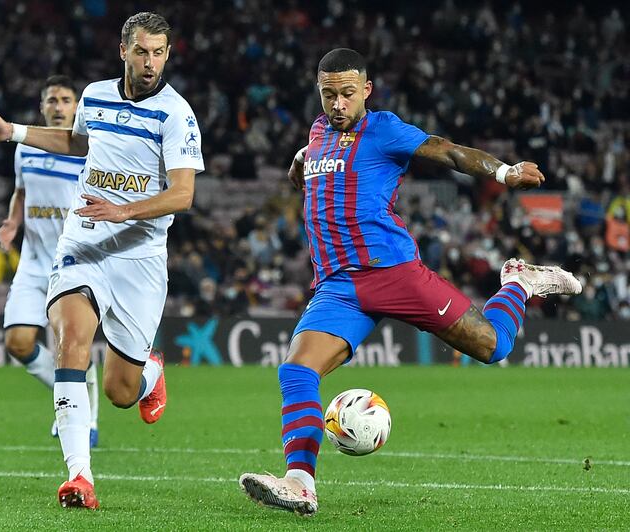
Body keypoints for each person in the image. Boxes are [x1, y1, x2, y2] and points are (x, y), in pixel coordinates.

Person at [238, 48, 582, 516]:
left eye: (346, 94)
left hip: (393, 272)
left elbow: (447, 150)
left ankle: (519, 282)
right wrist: (300, 163)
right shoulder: (318, 132)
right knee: (296, 371)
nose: (337, 104)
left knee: (493, 347)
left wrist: (503, 171)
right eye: (328, 94)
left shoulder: (383, 130)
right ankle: (300, 484)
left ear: (366, 91)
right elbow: (307, 160)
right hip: (338, 286)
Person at [0, 12, 203, 510]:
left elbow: (182, 194)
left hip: (139, 256)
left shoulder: (176, 114)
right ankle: (80, 477)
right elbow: (77, 142)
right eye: (142, 51)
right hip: (85, 239)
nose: (150, 62)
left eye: (159, 53)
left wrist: (125, 210)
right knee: (70, 340)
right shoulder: (94, 94)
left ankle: (151, 375)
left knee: (120, 391)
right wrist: (12, 132)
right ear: (123, 50)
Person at [0, 76, 98, 447]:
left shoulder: (90, 152)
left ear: (77, 108)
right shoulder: (24, 147)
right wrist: (12, 221)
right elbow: (21, 192)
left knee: (68, 348)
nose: (58, 106)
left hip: (73, 263)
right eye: (52, 100)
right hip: (33, 261)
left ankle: (82, 417)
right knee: (17, 342)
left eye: (66, 100)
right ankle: (75, 394)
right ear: (42, 107)